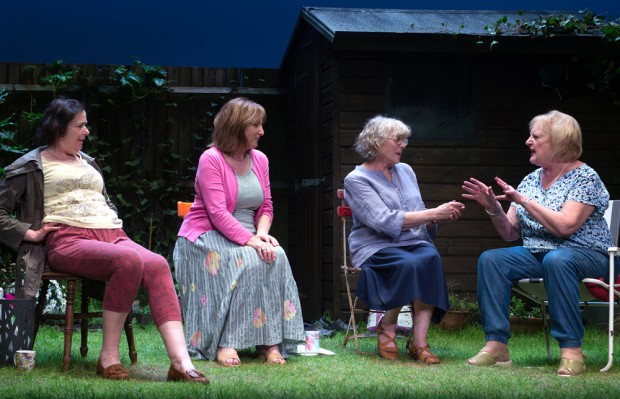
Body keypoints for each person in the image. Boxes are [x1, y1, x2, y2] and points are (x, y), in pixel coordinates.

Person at [0, 98, 209, 383]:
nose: (87, 131)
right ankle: (108, 357)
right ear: (58, 128)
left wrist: (107, 217)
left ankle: (181, 363)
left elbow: (103, 200)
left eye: (86, 125)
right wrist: (31, 233)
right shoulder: (31, 165)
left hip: (112, 235)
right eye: (80, 125)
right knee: (129, 260)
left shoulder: (88, 163)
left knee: (158, 264)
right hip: (68, 240)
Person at [462, 110, 613, 377]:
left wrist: (523, 201)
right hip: (540, 254)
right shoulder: (531, 179)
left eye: (535, 136)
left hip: (588, 256)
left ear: (557, 141)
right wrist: (494, 208)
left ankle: (571, 351)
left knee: (558, 259)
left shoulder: (585, 177)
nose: (527, 141)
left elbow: (566, 226)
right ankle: (497, 344)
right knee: (492, 259)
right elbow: (510, 233)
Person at [173, 97, 304, 367]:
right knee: (245, 260)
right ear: (237, 126)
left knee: (276, 256)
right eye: (255, 125)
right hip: (205, 236)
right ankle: (226, 342)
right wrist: (252, 241)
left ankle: (270, 342)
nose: (261, 131)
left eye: (261, 125)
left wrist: (263, 235)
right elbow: (218, 213)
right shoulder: (211, 159)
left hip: (248, 235)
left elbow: (266, 205)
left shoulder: (261, 159)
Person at [344, 115, 465, 364]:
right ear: (376, 142)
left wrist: (436, 219)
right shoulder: (356, 180)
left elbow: (416, 213)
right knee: (409, 264)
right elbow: (384, 221)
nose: (403, 145)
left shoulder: (406, 171)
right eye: (397, 139)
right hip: (374, 246)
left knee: (429, 257)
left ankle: (419, 342)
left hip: (412, 242)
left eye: (405, 139)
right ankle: (388, 325)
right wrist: (432, 213)